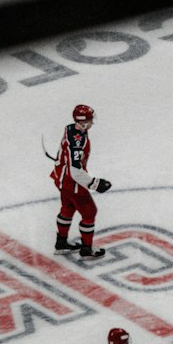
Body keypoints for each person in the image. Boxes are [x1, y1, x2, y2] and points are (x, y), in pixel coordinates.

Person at [50, 103, 112, 258]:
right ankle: (86, 249)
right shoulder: (78, 142)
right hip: (73, 182)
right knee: (89, 212)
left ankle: (62, 242)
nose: (92, 122)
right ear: (83, 122)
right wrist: (95, 183)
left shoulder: (70, 128)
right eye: (90, 120)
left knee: (67, 208)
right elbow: (76, 171)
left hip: (62, 179)